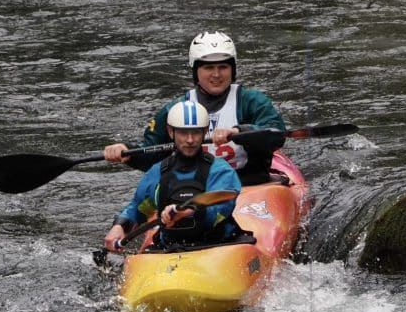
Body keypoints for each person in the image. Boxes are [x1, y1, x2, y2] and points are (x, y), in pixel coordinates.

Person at [104, 31, 285, 185]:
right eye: (208, 67)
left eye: (223, 67)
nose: (216, 74)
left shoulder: (251, 101)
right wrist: (128, 152)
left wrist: (239, 131)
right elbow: (152, 154)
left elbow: (276, 135)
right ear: (196, 71)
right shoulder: (176, 109)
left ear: (232, 70)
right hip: (199, 189)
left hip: (249, 183)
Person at [103, 100, 242, 252]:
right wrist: (120, 226)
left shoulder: (221, 171)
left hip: (218, 245)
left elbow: (221, 209)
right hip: (169, 248)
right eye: (183, 133)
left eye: (195, 132)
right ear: (171, 132)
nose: (190, 140)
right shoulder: (157, 172)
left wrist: (189, 212)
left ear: (205, 131)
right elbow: (138, 209)